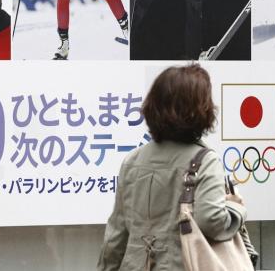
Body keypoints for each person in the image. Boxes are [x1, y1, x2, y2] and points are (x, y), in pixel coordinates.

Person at [97, 64, 247, 269]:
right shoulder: (205, 160)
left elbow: (116, 237)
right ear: (200, 110)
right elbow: (212, 220)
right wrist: (236, 208)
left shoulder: (132, 161)